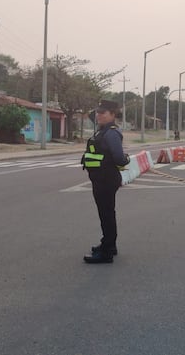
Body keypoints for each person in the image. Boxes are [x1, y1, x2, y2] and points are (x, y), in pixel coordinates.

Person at [81, 99, 130, 264]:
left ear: (113, 115)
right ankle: (109, 244)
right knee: (107, 213)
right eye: (97, 112)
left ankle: (107, 251)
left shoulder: (111, 133)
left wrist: (126, 159)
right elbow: (90, 114)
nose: (98, 115)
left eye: (103, 113)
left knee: (107, 214)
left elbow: (119, 158)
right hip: (101, 179)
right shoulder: (103, 130)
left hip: (106, 180)